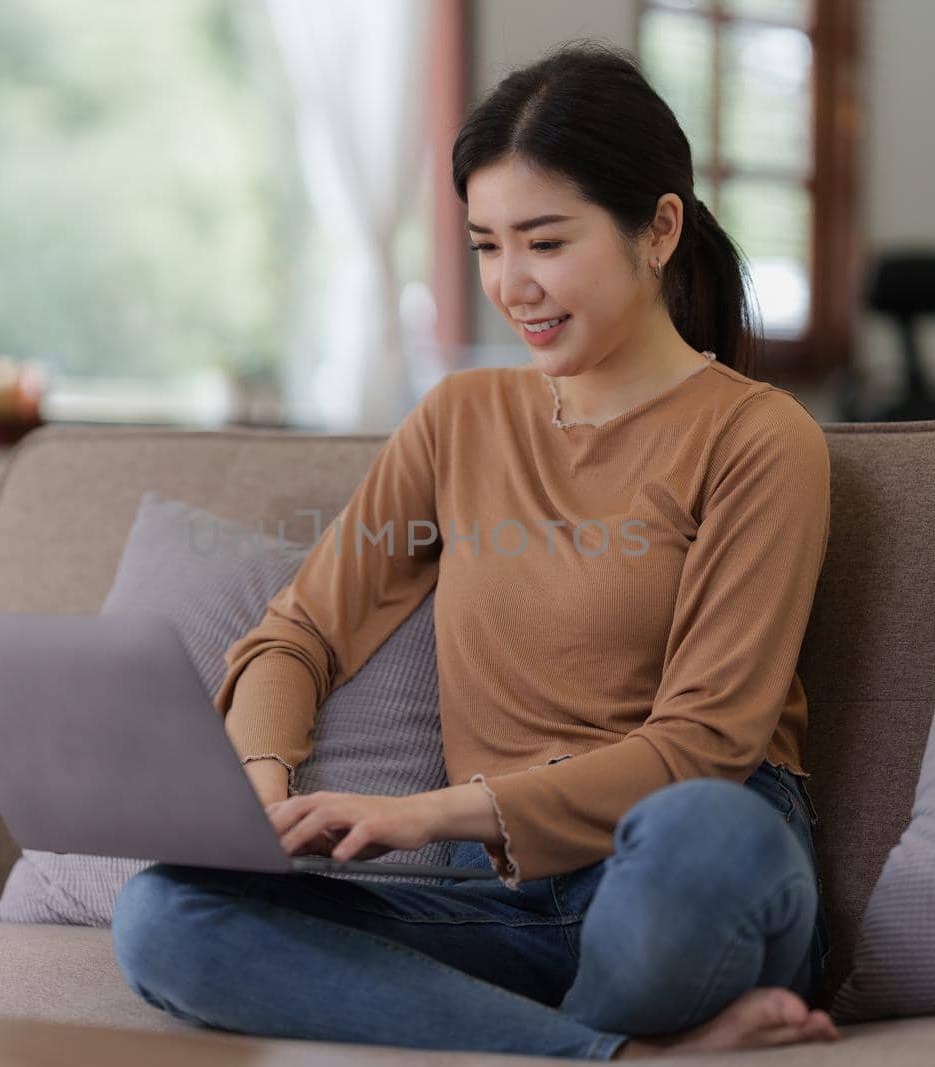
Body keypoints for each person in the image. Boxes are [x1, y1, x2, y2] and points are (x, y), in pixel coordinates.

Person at [112, 40, 838, 1061]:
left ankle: (568, 1028)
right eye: (487, 245)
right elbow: (300, 631)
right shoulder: (460, 420)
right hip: (506, 906)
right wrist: (262, 779)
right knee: (165, 913)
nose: (512, 284)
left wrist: (427, 813)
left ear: (659, 227)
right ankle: (615, 1050)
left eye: (544, 241)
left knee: (698, 833)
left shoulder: (759, 438)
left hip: (686, 878)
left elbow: (706, 745)